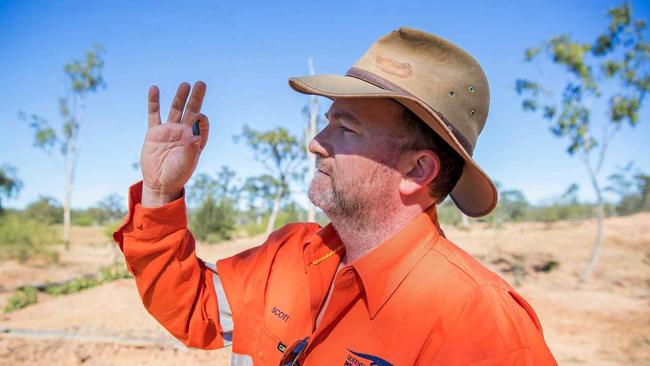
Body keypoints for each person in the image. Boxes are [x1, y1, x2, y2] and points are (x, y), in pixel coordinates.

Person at [113, 27, 557, 365]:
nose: (316, 142)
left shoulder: (483, 326)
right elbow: (193, 307)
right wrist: (159, 191)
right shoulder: (291, 251)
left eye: (345, 129)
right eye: (328, 122)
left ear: (416, 171)